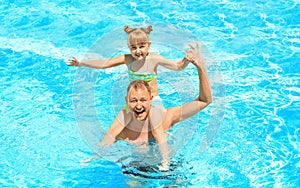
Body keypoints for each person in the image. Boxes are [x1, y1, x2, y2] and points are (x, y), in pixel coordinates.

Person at [81, 42, 212, 171]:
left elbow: (204, 100)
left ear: (151, 100)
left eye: (143, 100)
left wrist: (201, 67)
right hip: (136, 170)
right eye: (133, 100)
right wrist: (92, 159)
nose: (139, 105)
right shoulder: (122, 130)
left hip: (168, 170)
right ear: (126, 101)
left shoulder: (167, 118)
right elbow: (104, 146)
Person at [67, 25, 190, 108]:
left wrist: (186, 59)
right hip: (135, 101)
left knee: (157, 123)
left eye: (141, 46)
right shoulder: (127, 59)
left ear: (149, 46)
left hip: (153, 100)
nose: (137, 51)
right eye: (133, 47)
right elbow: (104, 64)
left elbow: (178, 66)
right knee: (124, 124)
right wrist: (81, 63)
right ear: (129, 48)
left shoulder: (154, 59)